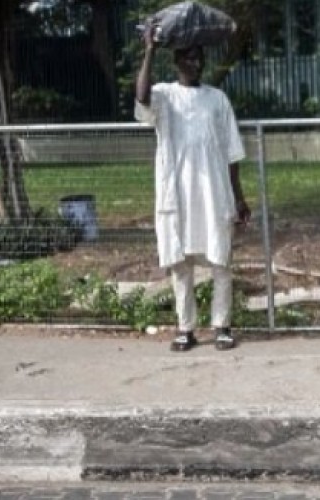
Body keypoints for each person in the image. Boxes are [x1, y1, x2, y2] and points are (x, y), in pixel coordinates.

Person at [135, 24, 249, 352]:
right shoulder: (164, 95)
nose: (196, 64)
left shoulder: (217, 99)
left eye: (199, 58)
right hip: (178, 194)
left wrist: (239, 197)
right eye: (189, 58)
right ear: (177, 63)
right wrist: (150, 49)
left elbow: (232, 152)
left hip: (214, 194)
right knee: (180, 264)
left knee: (221, 262)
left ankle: (222, 326)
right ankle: (185, 329)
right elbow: (141, 98)